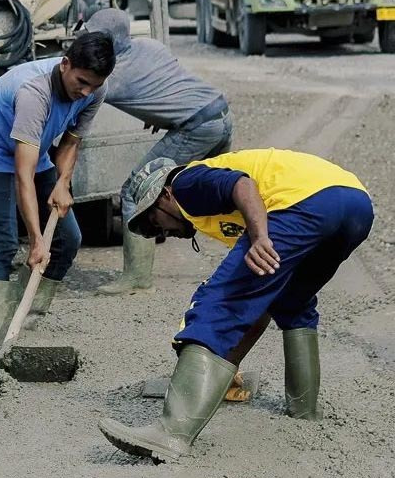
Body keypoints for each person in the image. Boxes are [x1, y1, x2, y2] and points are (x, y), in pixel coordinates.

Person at [99, 150, 373, 463]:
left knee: (217, 303)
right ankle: (304, 409)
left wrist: (258, 237)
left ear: (164, 195)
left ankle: (171, 433)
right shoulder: (211, 213)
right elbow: (256, 304)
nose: (162, 232)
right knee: (290, 301)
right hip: (356, 205)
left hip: (304, 202)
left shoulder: (185, 182)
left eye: (153, 219)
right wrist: (229, 362)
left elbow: (242, 186)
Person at [0, 32, 116, 352]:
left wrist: (63, 182)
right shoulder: (34, 93)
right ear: (65, 65)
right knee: (3, 241)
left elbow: (72, 142)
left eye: (93, 85)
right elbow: (23, 175)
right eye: (81, 82)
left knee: (68, 238)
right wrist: (34, 240)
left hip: (36, 151)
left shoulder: (96, 89)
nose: (85, 92)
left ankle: (20, 318)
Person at [82, 8, 233, 295]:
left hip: (197, 126)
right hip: (221, 112)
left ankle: (136, 278)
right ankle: (258, 262)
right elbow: (167, 82)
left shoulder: (111, 76)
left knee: (135, 191)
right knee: (226, 194)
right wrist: (161, 114)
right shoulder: (150, 45)